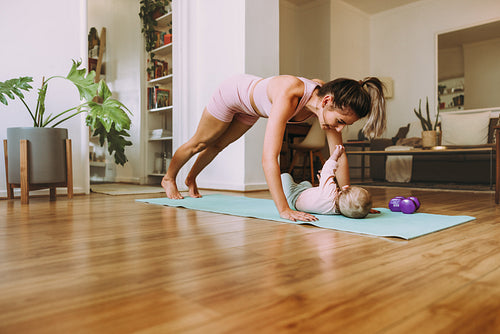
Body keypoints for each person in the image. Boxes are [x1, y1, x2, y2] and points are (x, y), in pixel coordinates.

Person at [161, 74, 386, 222]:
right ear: (327, 101)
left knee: (220, 144)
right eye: (340, 122)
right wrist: (283, 209)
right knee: (201, 142)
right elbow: (269, 157)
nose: (339, 129)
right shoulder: (290, 95)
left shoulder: (326, 109)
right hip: (232, 93)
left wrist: (348, 200)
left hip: (251, 109)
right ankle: (170, 178)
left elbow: (339, 157)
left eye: (344, 125)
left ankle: (191, 179)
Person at [281, 145, 372, 220]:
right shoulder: (339, 210)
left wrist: (335, 155)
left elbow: (327, 170)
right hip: (305, 192)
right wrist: (364, 209)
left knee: (285, 176)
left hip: (293, 196)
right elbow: (322, 199)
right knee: (307, 183)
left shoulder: (330, 193)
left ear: (345, 188)